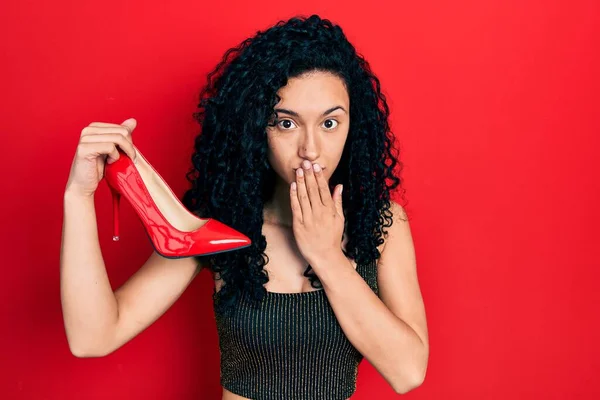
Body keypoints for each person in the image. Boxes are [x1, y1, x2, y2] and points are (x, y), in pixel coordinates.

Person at [61, 14, 429, 400]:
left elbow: (408, 372)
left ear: (354, 125)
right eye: (286, 124)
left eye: (329, 123)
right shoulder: (219, 226)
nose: (310, 149)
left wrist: (327, 257)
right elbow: (93, 338)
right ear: (256, 127)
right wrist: (79, 197)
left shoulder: (381, 223)